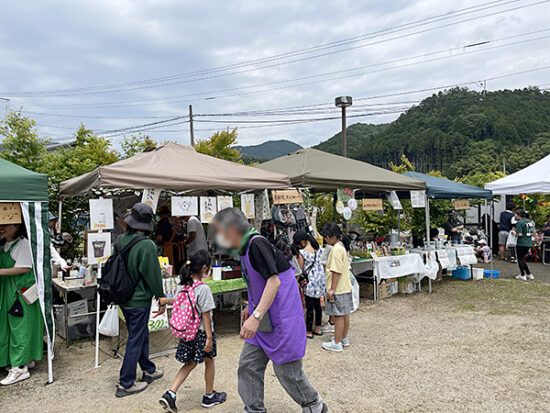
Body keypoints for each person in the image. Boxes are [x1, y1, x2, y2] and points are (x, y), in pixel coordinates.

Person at [212, 208, 327, 413]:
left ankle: (313, 405)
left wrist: (255, 316)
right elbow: (259, 281)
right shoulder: (245, 248)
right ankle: (254, 409)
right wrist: (251, 305)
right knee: (249, 365)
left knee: (287, 371)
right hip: (265, 315)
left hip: (281, 316)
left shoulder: (257, 244)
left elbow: (274, 282)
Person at [158, 250, 226, 412]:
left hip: (188, 332)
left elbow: (179, 302)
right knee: (209, 361)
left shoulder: (183, 285)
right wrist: (209, 337)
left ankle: (171, 393)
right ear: (204, 268)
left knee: (190, 363)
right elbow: (206, 315)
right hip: (202, 333)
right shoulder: (203, 289)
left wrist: (166, 301)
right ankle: (209, 396)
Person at [116, 203, 166, 398]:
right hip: (139, 299)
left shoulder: (121, 240)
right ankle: (125, 383)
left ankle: (148, 369)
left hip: (124, 297)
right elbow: (152, 275)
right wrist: (160, 295)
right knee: (136, 338)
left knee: (140, 333)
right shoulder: (146, 245)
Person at [0, 222, 43, 385]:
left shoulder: (23, 243)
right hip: (10, 293)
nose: (1, 228)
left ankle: (19, 368)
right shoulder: (5, 244)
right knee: (11, 329)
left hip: (21, 294)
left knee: (21, 329)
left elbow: (25, 267)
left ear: (18, 226)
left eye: (6, 224)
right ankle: (26, 359)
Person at [320, 223, 352, 353]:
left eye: (326, 237)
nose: (325, 240)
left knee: (338, 316)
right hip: (345, 286)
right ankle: (343, 338)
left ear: (331, 237)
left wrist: (332, 289)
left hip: (338, 288)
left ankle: (337, 342)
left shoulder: (335, 250)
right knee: (344, 314)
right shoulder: (341, 247)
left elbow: (335, 271)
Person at [293, 231, 326, 339]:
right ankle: (318, 328)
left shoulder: (303, 252)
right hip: (320, 280)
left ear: (302, 242)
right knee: (318, 305)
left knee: (310, 306)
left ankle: (308, 331)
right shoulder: (319, 249)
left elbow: (301, 268)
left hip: (311, 281)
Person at [156, 206, 186, 270]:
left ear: (162, 214)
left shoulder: (162, 222)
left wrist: (158, 243)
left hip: (170, 249)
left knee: (170, 268)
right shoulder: (179, 221)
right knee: (181, 267)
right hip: (181, 249)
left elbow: (159, 238)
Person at [513, 209, 535, 281]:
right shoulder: (529, 222)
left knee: (520, 259)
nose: (514, 216)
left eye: (515, 215)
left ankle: (522, 274)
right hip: (528, 243)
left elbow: (519, 234)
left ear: (519, 215)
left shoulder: (519, 223)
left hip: (521, 242)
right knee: (522, 259)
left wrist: (514, 233)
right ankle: (529, 274)